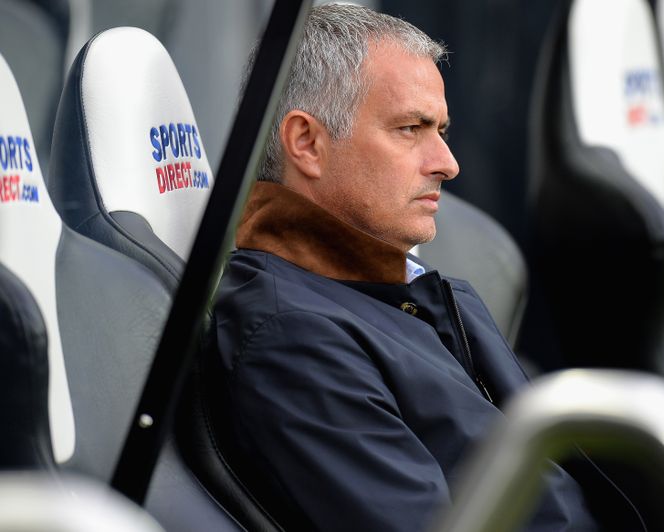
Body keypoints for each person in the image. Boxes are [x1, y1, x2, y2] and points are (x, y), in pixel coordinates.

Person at [210, 3, 607, 531]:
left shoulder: (383, 290)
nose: (447, 162)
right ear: (306, 142)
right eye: (410, 128)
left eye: (440, 129)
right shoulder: (293, 337)